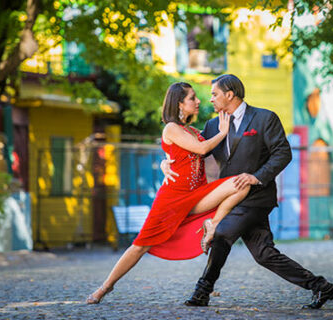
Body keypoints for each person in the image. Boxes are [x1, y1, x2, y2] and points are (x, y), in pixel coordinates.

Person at [162, 74, 333, 309]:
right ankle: (322, 287)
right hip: (231, 198)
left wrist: (257, 177)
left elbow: (283, 153)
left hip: (257, 197)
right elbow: (191, 151)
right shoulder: (213, 125)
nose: (210, 99)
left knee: (221, 233)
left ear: (230, 94)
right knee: (264, 254)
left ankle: (201, 292)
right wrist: (166, 162)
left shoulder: (265, 118)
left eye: (215, 94)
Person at [86, 82, 250, 304]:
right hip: (172, 199)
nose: (198, 101)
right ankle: (105, 287)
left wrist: (166, 161)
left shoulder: (192, 130)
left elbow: (191, 152)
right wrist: (222, 132)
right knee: (140, 246)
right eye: (193, 98)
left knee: (242, 184)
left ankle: (212, 224)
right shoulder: (171, 128)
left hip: (198, 194)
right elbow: (202, 149)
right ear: (179, 104)